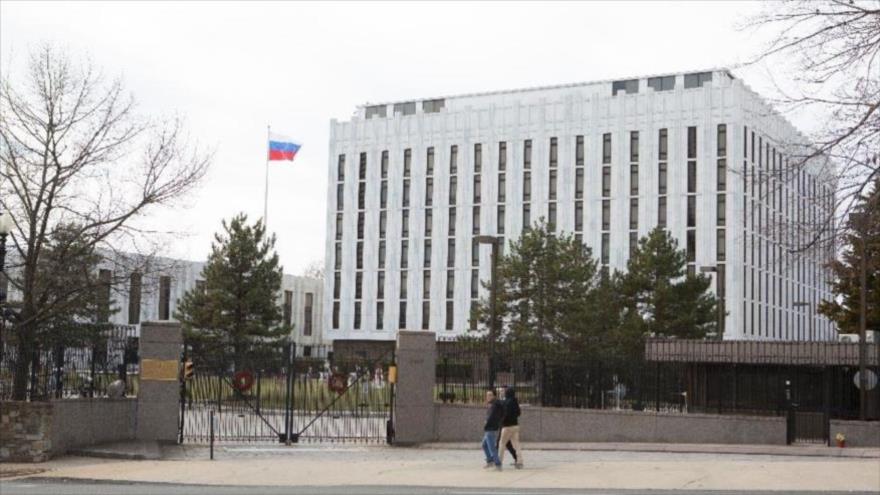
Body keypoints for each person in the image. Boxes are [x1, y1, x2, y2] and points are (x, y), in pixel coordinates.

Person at [499, 386, 523, 469]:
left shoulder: (506, 402)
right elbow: (519, 413)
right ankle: (520, 462)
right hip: (515, 425)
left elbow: (505, 414)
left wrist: (502, 421)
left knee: (502, 444)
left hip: (507, 426)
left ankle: (499, 462)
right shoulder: (515, 402)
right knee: (516, 444)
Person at [481, 389, 504, 471]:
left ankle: (498, 464)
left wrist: (487, 423)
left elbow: (492, 417)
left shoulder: (494, 405)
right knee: (484, 445)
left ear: (494, 396)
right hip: (490, 428)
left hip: (491, 428)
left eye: (490, 395)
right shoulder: (493, 404)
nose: (488, 396)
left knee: (491, 447)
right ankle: (490, 461)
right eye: (487, 395)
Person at [495, 386, 518, 465]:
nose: (501, 392)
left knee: (500, 442)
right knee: (507, 443)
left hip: (506, 424)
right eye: (500, 391)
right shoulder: (502, 400)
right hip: (504, 423)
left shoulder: (508, 400)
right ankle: (516, 458)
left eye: (503, 391)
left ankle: (496, 460)